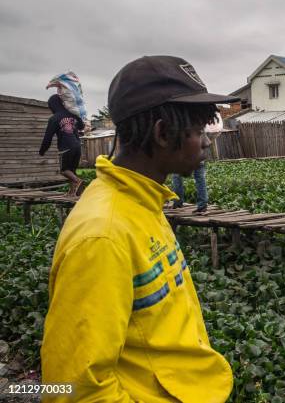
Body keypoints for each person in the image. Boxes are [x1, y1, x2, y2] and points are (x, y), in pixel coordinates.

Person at [41, 55, 239, 403]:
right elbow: (75, 390)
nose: (207, 142)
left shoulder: (143, 200)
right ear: (163, 133)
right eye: (197, 130)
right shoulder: (102, 236)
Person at [39, 94, 85, 196]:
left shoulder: (54, 118)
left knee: (64, 171)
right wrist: (77, 116)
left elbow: (48, 137)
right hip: (78, 146)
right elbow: (82, 126)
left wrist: (42, 150)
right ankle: (72, 193)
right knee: (71, 171)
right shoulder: (73, 114)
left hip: (66, 147)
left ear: (52, 106)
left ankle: (78, 181)